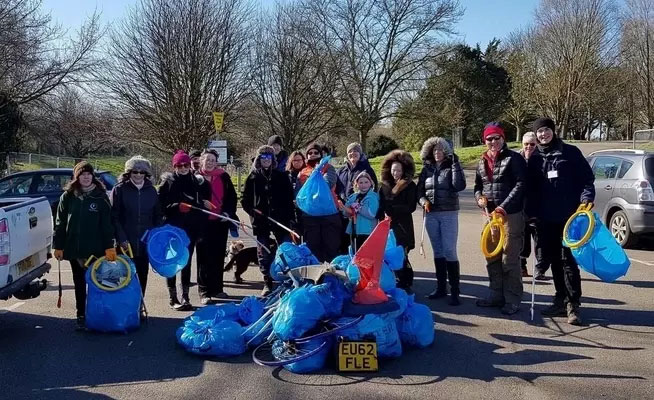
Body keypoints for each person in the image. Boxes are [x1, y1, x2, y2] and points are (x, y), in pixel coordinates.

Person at [526, 117, 595, 325]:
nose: (543, 135)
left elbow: (587, 180)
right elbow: (531, 189)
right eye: (539, 132)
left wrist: (586, 199)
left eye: (546, 130)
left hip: (569, 217)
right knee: (554, 260)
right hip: (546, 219)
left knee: (568, 261)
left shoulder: (570, 152)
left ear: (553, 132)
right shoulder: (535, 157)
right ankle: (559, 299)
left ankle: (573, 304)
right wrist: (531, 214)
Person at [53, 161, 115, 330]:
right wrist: (58, 245)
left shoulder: (100, 197)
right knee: (79, 283)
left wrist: (109, 246)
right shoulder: (68, 196)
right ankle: (81, 315)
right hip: (74, 248)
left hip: (96, 249)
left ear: (92, 177)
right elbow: (60, 222)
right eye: (82, 174)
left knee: (97, 283)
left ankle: (97, 315)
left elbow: (107, 225)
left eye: (89, 174)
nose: (86, 177)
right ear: (77, 177)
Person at [474, 122, 527, 315]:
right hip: (488, 217)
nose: (493, 142)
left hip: (509, 215)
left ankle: (512, 299)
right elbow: (478, 186)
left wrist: (503, 207)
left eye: (497, 138)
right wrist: (479, 198)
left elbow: (521, 185)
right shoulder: (482, 160)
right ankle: (495, 295)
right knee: (491, 257)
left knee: (509, 259)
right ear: (485, 140)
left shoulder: (514, 159)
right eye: (489, 139)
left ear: (503, 138)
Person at [158, 150, 211, 311]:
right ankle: (173, 297)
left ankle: (185, 295)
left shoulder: (196, 181)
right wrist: (176, 207)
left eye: (185, 165)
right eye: (179, 165)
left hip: (192, 228)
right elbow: (160, 207)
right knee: (173, 262)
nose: (183, 168)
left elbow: (200, 205)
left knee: (186, 262)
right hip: (173, 228)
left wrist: (204, 204)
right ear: (174, 166)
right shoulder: (168, 183)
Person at [417, 137, 466, 305]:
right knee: (438, 251)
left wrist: (455, 164)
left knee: (449, 251)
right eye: (434, 150)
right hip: (431, 214)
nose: (437, 153)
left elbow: (459, 185)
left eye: (440, 150)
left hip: (449, 213)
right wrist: (424, 202)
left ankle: (455, 290)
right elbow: (420, 192)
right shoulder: (426, 169)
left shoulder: (451, 166)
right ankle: (441, 287)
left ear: (446, 151)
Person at [242, 145, 295, 295]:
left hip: (280, 220)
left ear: (273, 159)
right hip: (261, 221)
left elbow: (289, 199)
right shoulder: (252, 178)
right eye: (263, 157)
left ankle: (287, 279)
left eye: (269, 157)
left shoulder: (282, 176)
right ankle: (267, 281)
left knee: (285, 249)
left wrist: (290, 218)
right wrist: (253, 212)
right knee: (263, 251)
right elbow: (245, 200)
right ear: (259, 159)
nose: (266, 160)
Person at [110, 156, 162, 301]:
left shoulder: (151, 191)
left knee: (142, 274)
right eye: (135, 172)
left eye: (141, 172)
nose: (138, 175)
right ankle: (124, 307)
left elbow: (158, 215)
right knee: (124, 276)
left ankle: (139, 304)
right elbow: (114, 217)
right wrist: (122, 239)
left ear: (146, 174)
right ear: (129, 173)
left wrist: (154, 235)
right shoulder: (119, 189)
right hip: (125, 243)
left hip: (145, 242)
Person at [196, 149, 238, 304]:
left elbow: (231, 197)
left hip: (220, 221)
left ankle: (217, 288)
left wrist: (228, 213)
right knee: (204, 257)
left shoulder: (223, 176)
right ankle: (204, 291)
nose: (210, 162)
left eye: (213, 160)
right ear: (201, 161)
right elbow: (192, 198)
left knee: (218, 255)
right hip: (203, 223)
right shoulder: (196, 178)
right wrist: (201, 202)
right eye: (207, 160)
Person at [379, 150, 417, 291]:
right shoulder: (383, 186)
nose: (396, 173)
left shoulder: (410, 185)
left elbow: (410, 206)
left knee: (402, 254)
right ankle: (395, 280)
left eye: (399, 170)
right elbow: (380, 205)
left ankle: (406, 282)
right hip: (388, 226)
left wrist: (392, 209)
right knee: (390, 254)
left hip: (403, 225)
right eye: (394, 170)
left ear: (403, 170)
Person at [297, 142, 341, 263]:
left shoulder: (328, 168)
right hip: (310, 216)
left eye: (316, 152)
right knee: (313, 247)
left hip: (329, 214)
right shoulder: (303, 171)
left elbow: (327, 184)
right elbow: (299, 193)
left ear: (320, 154)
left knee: (330, 246)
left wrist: (315, 176)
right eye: (310, 153)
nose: (313, 154)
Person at [336, 142, 378, 252]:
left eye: (355, 151)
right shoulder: (341, 170)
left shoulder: (366, 169)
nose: (353, 153)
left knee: (361, 245)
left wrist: (359, 206)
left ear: (360, 154)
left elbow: (373, 188)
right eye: (350, 151)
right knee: (346, 243)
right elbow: (336, 188)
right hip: (344, 211)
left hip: (360, 215)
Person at [518, 132, 549, 281]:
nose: (529, 147)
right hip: (521, 207)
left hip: (539, 206)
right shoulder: (516, 159)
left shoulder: (542, 159)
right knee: (522, 240)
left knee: (540, 240)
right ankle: (521, 266)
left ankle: (540, 269)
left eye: (532, 144)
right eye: (526, 144)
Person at [341, 171, 379, 252]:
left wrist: (357, 207)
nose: (363, 185)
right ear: (356, 184)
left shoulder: (373, 197)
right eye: (360, 182)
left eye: (366, 182)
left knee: (366, 256)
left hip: (368, 231)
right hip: (354, 231)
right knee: (355, 255)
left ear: (370, 183)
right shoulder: (353, 197)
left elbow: (371, 214)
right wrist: (343, 207)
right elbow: (346, 214)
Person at [286, 150, 306, 236]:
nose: (297, 162)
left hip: (305, 210)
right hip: (292, 211)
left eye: (299, 160)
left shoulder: (307, 174)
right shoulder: (287, 175)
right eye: (295, 160)